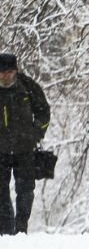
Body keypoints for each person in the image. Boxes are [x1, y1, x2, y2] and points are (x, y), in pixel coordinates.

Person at [0, 52, 51, 235]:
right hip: (1, 151)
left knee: (25, 191)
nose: (5, 75)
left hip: (24, 149)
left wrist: (36, 133)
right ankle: (5, 232)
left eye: (9, 72)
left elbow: (44, 111)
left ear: (15, 71)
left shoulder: (28, 86)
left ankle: (21, 228)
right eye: (2, 72)